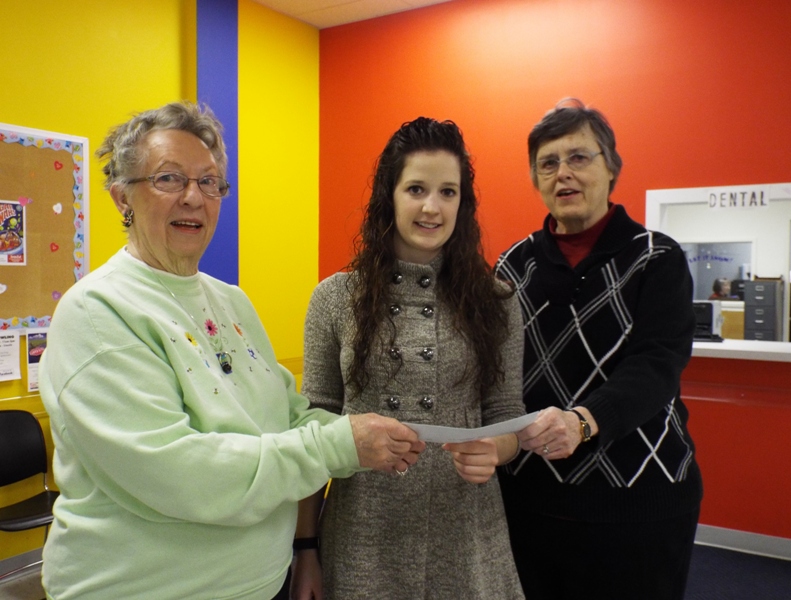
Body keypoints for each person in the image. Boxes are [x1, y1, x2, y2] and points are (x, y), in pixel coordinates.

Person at [38, 101, 423, 600]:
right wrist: (341, 444)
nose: (193, 197)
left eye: (209, 182)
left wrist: (376, 432)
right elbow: (179, 474)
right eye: (169, 178)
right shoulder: (97, 311)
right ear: (121, 197)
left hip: (261, 584)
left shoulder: (230, 302)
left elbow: (288, 415)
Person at [291, 117, 526, 600]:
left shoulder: (497, 300)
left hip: (467, 528)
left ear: (463, 203)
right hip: (364, 530)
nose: (431, 207)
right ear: (390, 195)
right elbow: (313, 430)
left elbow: (507, 413)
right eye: (416, 189)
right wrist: (306, 548)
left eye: (448, 192)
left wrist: (497, 448)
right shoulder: (335, 298)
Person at [496, 99, 703, 600]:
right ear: (536, 179)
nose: (563, 173)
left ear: (611, 167)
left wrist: (584, 422)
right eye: (548, 163)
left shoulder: (656, 257)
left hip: (639, 500)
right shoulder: (510, 267)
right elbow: (494, 372)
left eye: (578, 157)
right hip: (531, 501)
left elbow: (657, 365)